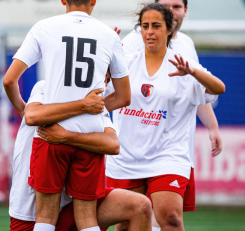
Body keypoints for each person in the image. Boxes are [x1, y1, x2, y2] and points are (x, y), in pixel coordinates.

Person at [3, 0, 130, 231]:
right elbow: (124, 96)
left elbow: (8, 80)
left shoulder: (44, 27)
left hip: (52, 134)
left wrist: (23, 109)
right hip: (90, 135)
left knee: (45, 217)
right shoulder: (109, 35)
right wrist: (94, 107)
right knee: (87, 219)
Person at [106, 3, 225, 231]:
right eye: (145, 26)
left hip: (167, 155)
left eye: (156, 26)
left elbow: (219, 88)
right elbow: (100, 95)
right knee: (124, 223)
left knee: (170, 217)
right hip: (127, 156)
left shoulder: (183, 65)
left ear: (169, 29)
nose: (149, 31)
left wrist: (193, 72)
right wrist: (104, 62)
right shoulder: (126, 61)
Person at [9, 81, 151, 231]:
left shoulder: (95, 104)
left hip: (72, 205)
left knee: (141, 207)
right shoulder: (46, 86)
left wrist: (66, 136)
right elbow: (32, 116)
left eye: (107, 78)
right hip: (29, 212)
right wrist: (83, 105)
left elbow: (112, 144)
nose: (103, 81)